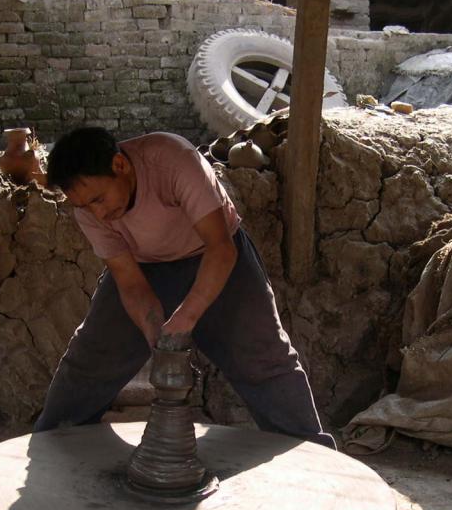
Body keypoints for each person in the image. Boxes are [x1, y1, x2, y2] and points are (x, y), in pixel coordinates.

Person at [33, 126, 335, 449]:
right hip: (145, 266)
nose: (99, 213)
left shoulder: (172, 160)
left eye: (98, 199)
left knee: (264, 359)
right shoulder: (88, 210)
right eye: (85, 206)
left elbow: (221, 248)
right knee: (91, 358)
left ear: (119, 165)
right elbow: (130, 283)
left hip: (216, 256)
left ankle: (312, 457)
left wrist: (184, 320)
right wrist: (157, 338)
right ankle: (52, 448)